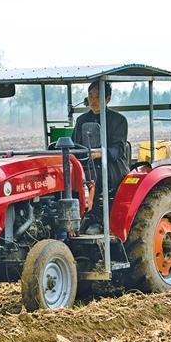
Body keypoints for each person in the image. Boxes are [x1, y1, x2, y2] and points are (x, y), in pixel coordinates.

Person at [72, 81, 128, 234]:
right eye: (91, 96)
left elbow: (119, 149)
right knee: (67, 177)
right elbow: (75, 145)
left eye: (98, 97)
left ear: (108, 99)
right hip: (86, 163)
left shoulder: (118, 120)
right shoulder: (81, 120)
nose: (94, 100)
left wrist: (101, 153)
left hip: (112, 166)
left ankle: (94, 219)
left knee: (92, 176)